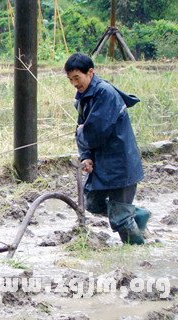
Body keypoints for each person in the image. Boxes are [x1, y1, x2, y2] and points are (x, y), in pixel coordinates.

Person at [64, 52, 150, 245]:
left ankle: (137, 252)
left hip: (120, 162)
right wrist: (86, 156)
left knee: (120, 219)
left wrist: (81, 132)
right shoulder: (83, 96)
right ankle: (139, 215)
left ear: (91, 73)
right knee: (92, 203)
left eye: (77, 78)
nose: (74, 84)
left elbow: (94, 132)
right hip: (103, 161)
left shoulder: (105, 94)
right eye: (70, 79)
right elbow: (83, 127)